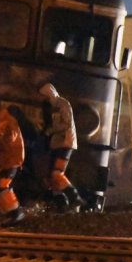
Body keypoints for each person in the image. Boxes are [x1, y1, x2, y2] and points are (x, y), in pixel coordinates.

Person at [38, 82, 84, 210]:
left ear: (48, 94)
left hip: (65, 142)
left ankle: (75, 197)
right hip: (57, 143)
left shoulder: (63, 104)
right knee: (53, 175)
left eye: (43, 96)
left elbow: (66, 124)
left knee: (57, 173)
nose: (41, 99)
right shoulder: (51, 107)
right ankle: (61, 202)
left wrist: (50, 130)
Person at [0, 99, 25, 225]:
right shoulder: (0, 123)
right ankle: (7, 214)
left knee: (3, 187)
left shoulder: (7, 122)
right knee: (2, 188)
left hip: (10, 159)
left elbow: (4, 141)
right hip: (5, 160)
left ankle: (16, 213)